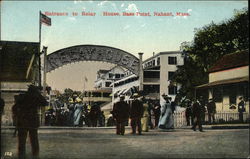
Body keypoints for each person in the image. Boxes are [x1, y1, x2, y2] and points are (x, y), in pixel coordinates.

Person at [12, 85, 47, 159]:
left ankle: (21, 155)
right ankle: (35, 155)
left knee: (22, 140)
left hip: (22, 120)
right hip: (32, 121)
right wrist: (39, 94)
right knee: (34, 139)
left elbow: (14, 108)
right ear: (35, 91)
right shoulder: (36, 97)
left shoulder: (22, 97)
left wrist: (18, 115)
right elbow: (45, 103)